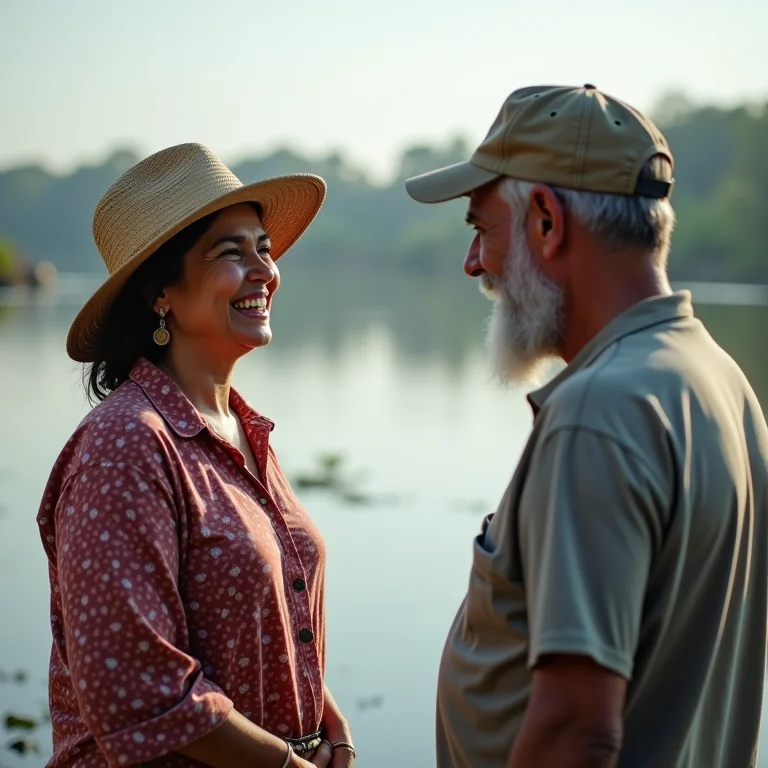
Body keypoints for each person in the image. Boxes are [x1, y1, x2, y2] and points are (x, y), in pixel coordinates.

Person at [405, 84, 768, 767]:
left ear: (546, 219)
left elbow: (578, 729)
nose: (474, 264)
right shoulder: (723, 381)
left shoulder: (597, 413)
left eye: (482, 229)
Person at [36, 143, 356, 768]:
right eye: (230, 253)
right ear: (161, 292)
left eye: (262, 245)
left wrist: (332, 726)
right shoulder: (124, 446)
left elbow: (272, 631)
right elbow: (139, 687)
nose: (264, 268)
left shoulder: (241, 428)